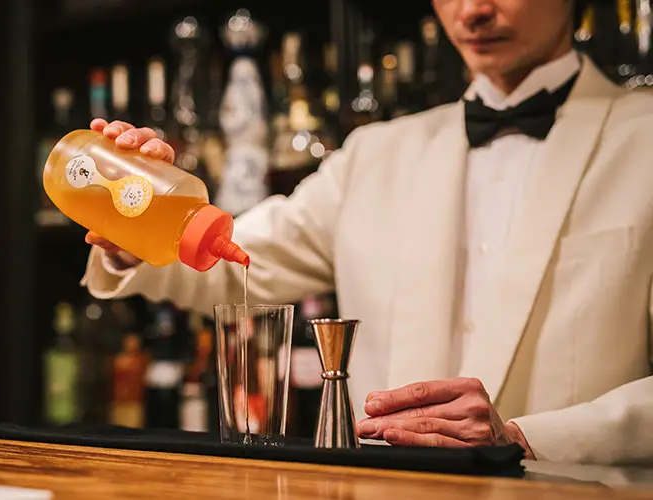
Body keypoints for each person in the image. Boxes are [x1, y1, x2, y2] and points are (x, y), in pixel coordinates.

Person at [80, 0, 653, 465]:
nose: (473, 11)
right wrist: (137, 226)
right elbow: (234, 260)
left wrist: (532, 438)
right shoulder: (376, 155)